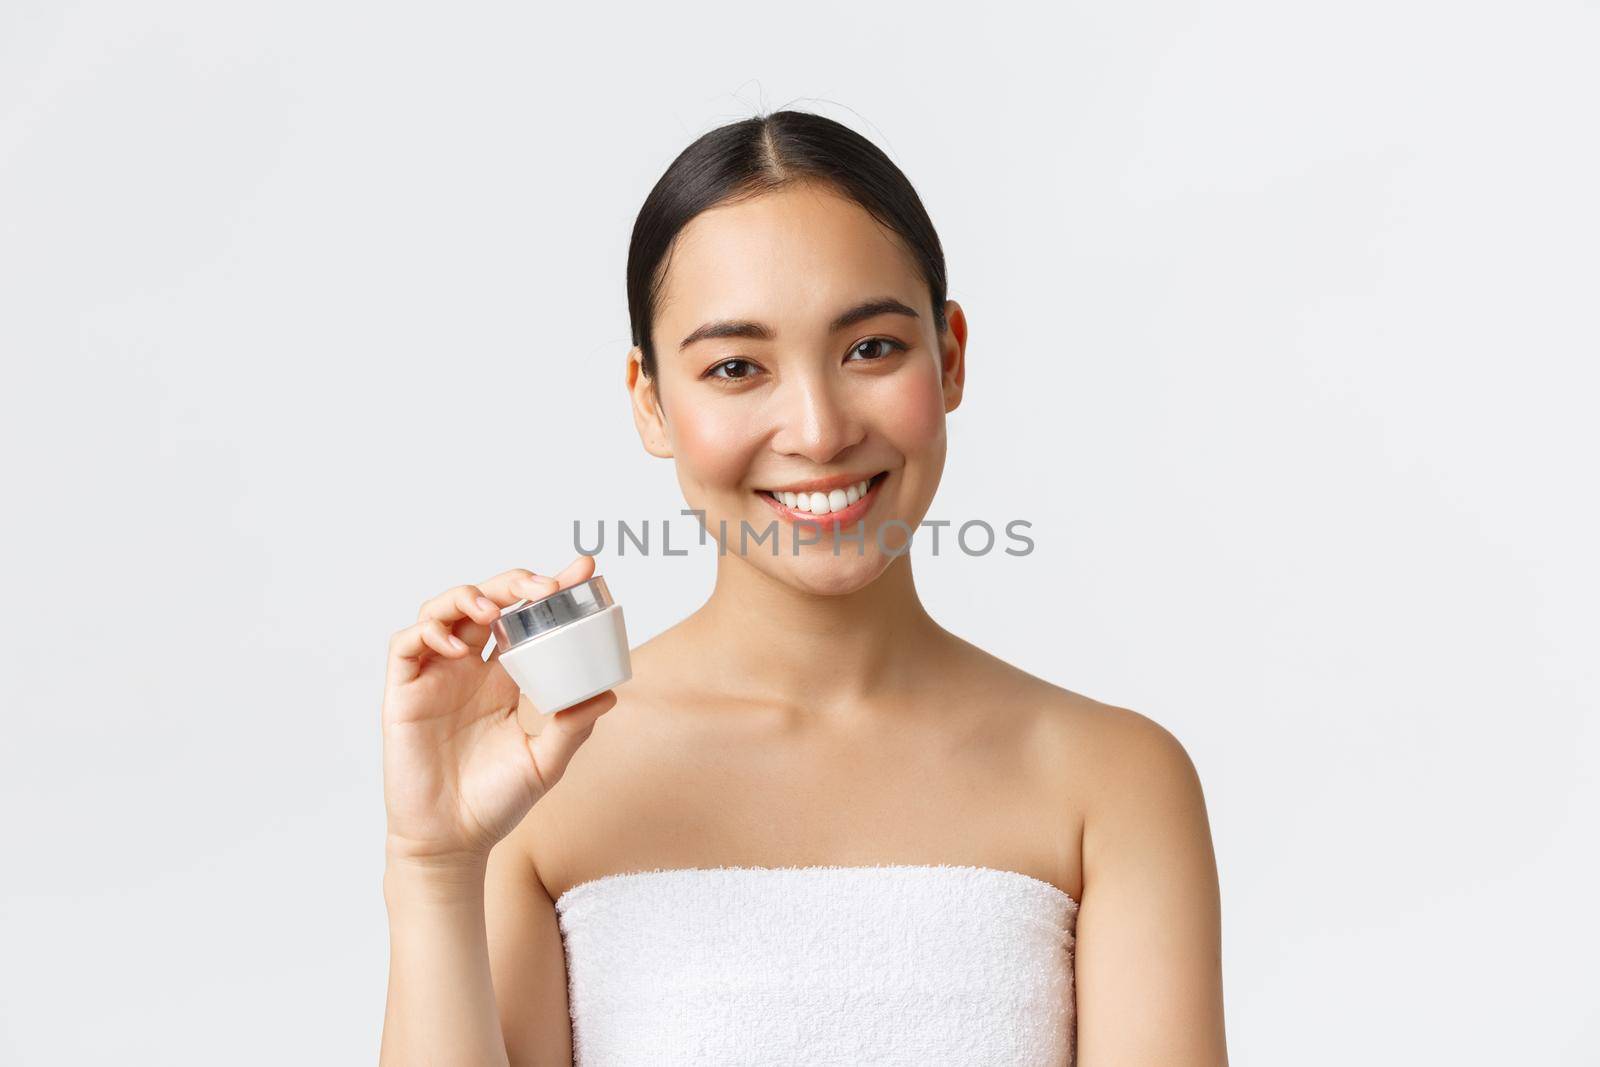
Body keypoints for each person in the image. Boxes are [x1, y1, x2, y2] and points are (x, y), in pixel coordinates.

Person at [379, 109, 1228, 1066]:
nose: (818, 430)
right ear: (651, 400)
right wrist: (436, 868)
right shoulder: (541, 784)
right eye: (736, 367)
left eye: (870, 348)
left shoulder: (1111, 781)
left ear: (949, 357)